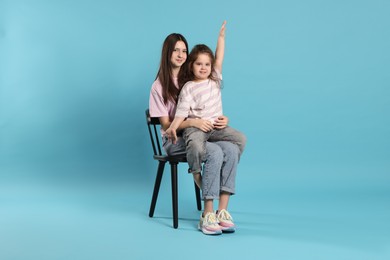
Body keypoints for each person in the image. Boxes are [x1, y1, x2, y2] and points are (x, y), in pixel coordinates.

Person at [149, 22, 244, 235]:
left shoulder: (190, 77)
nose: (181, 54)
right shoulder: (159, 86)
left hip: (202, 134)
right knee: (215, 151)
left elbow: (208, 99)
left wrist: (220, 118)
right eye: (176, 50)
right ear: (167, 53)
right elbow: (167, 125)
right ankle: (206, 214)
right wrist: (194, 122)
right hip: (175, 139)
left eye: (184, 50)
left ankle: (221, 211)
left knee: (230, 149)